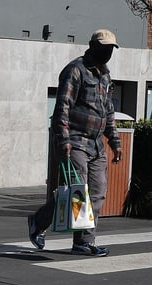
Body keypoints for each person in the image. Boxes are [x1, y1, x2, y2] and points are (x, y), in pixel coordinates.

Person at [28, 29, 123, 256]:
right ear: (92, 45)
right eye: (104, 48)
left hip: (97, 143)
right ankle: (41, 223)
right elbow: (62, 107)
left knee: (98, 192)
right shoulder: (76, 70)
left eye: (111, 48)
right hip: (76, 140)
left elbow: (108, 113)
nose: (108, 52)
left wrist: (115, 142)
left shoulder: (105, 76)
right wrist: (63, 139)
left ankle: (83, 241)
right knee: (76, 192)